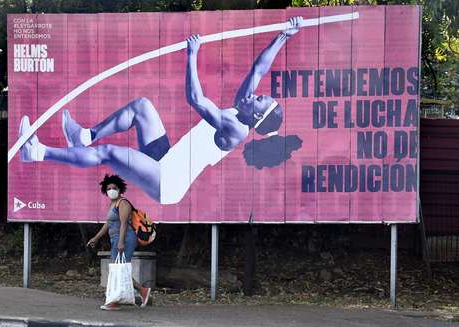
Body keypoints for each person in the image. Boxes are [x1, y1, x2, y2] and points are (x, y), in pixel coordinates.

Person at [18, 17, 303, 204]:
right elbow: (258, 69)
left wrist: (192, 55)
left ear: (257, 117)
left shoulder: (237, 128)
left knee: (109, 154)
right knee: (142, 107)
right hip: (167, 159)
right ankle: (86, 136)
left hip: (168, 181)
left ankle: (38, 153)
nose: (254, 95)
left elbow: (196, 100)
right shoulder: (243, 109)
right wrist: (284, 36)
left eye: (259, 100)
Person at [86, 174, 151, 310]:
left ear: (120, 189)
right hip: (116, 239)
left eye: (114, 188)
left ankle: (114, 301)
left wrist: (121, 242)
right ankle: (142, 291)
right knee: (119, 270)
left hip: (125, 238)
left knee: (118, 269)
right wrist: (96, 238)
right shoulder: (112, 204)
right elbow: (108, 224)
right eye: (108, 188)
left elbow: (124, 224)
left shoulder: (123, 203)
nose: (111, 190)